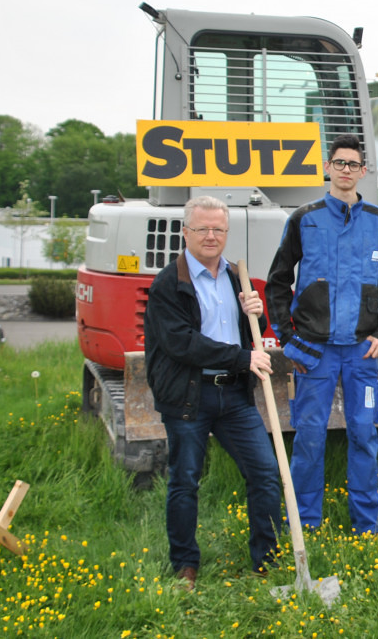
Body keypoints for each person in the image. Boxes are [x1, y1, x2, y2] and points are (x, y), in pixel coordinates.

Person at [266, 134, 378, 535]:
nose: (346, 170)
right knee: (310, 436)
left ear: (364, 171)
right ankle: (304, 524)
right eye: (339, 163)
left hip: (362, 352)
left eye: (353, 164)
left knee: (364, 435)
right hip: (315, 351)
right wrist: (288, 339)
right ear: (328, 168)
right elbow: (277, 283)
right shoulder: (304, 219)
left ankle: (368, 526)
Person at [144, 195, 282, 591]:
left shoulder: (237, 277)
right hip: (188, 395)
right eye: (202, 228)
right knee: (185, 479)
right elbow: (182, 343)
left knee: (265, 474)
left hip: (233, 396)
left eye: (218, 229)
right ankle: (184, 564)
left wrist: (255, 313)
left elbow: (248, 335)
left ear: (226, 232)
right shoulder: (168, 284)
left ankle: (266, 562)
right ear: (185, 232)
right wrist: (242, 357)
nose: (211, 236)